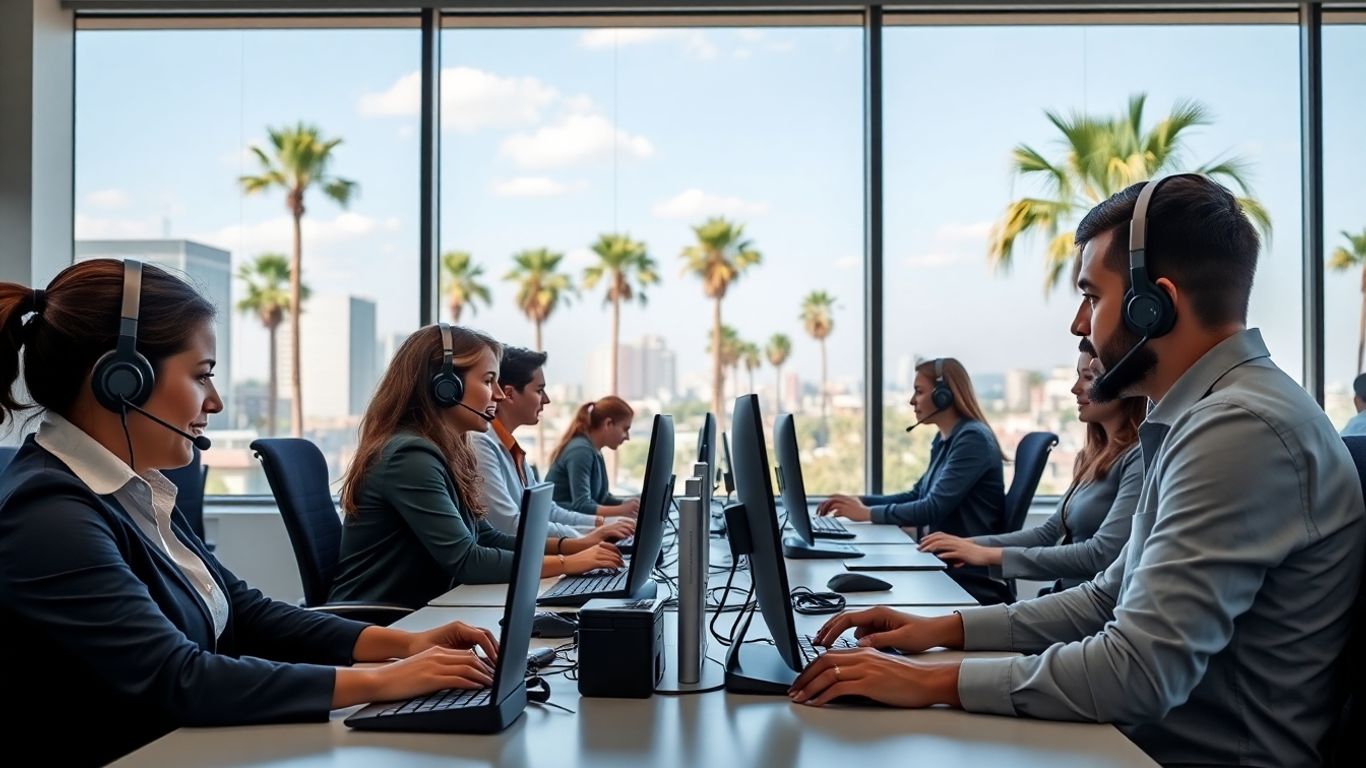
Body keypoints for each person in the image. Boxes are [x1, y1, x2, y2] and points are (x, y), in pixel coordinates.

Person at [789, 175, 1365, 767]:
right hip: (1135, 743)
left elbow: (1138, 671)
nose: (1078, 324)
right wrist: (939, 629)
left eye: (1091, 296)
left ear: (1154, 304)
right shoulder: (1201, 417)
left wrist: (928, 682)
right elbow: (1104, 599)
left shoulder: (1239, 429)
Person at [0, 261, 500, 767]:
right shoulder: (49, 515)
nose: (215, 402)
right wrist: (382, 681)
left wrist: (406, 644)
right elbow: (179, 678)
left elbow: (245, 611)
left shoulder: (132, 489)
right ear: (122, 381)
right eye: (202, 376)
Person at [330, 324, 622, 609]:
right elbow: (467, 561)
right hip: (382, 620)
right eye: (488, 381)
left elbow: (486, 537)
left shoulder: (448, 451)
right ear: (445, 387)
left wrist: (575, 546)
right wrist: (567, 563)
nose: (498, 394)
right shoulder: (409, 456)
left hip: (427, 612)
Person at [919, 341, 1146, 595]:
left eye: (1089, 377)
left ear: (1125, 385)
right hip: (1064, 594)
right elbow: (1048, 533)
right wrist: (968, 545)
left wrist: (987, 554)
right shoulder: (1090, 457)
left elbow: (1100, 555)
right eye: (1077, 377)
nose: (1075, 388)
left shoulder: (1137, 459)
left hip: (1091, 604)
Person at [816, 357, 1008, 603]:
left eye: (919, 391)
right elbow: (917, 494)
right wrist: (860, 501)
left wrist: (866, 513)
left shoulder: (972, 439)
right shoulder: (946, 438)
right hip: (937, 557)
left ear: (943, 396)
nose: (911, 400)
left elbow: (931, 508)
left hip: (961, 568)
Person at [472, 345, 634, 543]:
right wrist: (583, 540)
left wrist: (602, 525)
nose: (546, 400)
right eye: (539, 390)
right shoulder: (482, 444)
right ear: (510, 394)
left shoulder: (511, 447)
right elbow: (509, 525)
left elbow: (549, 512)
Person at [544, 395, 641, 520]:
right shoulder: (581, 451)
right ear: (608, 424)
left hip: (576, 521)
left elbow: (602, 499)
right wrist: (622, 510)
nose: (627, 437)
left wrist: (629, 503)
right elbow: (582, 505)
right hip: (561, 523)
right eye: (625, 429)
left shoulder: (594, 450)